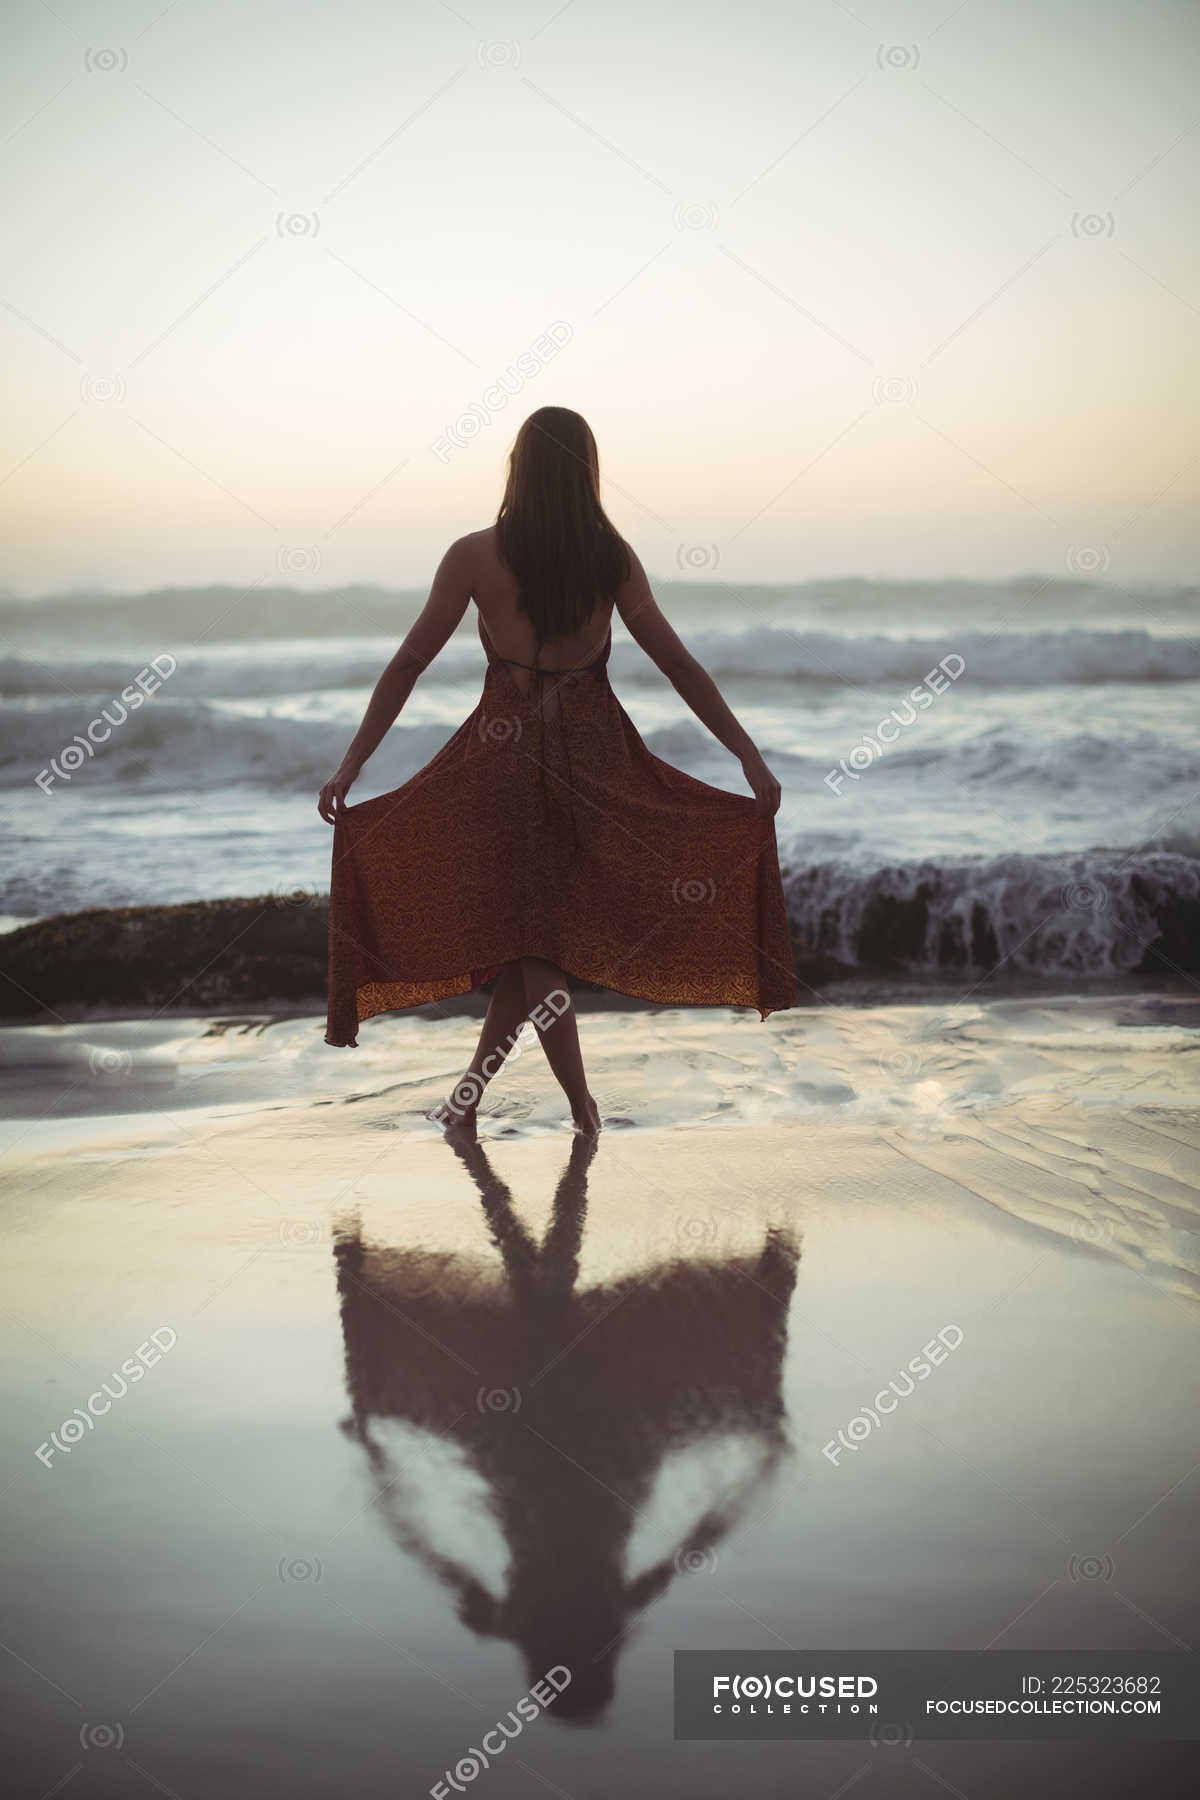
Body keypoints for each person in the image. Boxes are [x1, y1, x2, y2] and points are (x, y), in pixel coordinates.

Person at [318, 405, 796, 1131]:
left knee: (531, 938)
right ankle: (474, 1102)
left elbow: (410, 663)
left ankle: (575, 1109)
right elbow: (675, 662)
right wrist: (746, 753)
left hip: (501, 761)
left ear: (518, 467)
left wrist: (354, 763)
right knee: (532, 937)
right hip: (596, 762)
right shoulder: (610, 559)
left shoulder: (474, 555)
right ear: (587, 472)